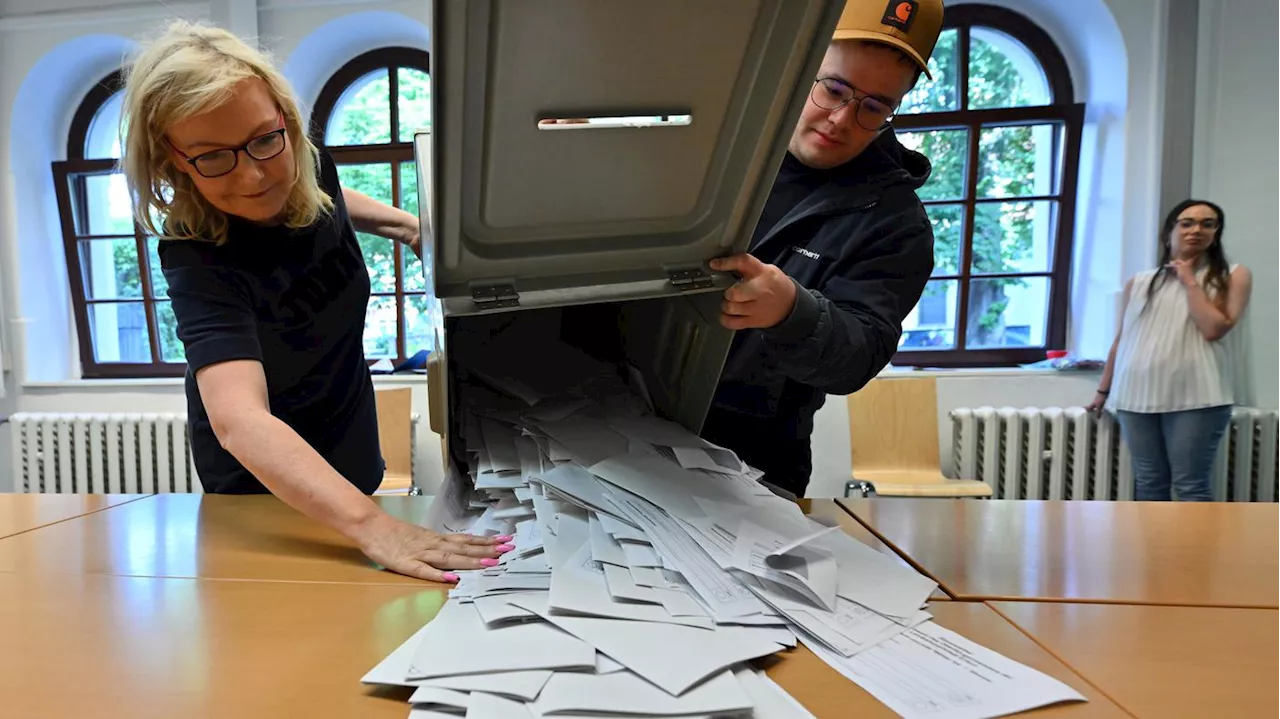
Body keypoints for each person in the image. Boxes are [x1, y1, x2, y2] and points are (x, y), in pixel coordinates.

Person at [119, 20, 507, 581]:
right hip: (265, 497)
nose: (253, 176)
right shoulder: (197, 255)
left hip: (349, 457)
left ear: (285, 121)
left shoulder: (302, 161)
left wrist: (406, 226)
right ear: (174, 158)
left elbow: (325, 191)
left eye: (263, 140)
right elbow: (239, 421)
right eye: (212, 156)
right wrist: (375, 527)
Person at [700, 0, 943, 497]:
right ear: (802, 67)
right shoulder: (710, 143)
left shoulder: (897, 223)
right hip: (617, 422)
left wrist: (793, 311)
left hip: (756, 467)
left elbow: (860, 356)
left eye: (874, 106)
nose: (841, 120)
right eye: (833, 89)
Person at [1088, 200, 1253, 501]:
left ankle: (1196, 551)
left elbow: (1214, 329)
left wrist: (1189, 280)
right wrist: (1103, 390)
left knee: (1190, 485)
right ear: (1169, 232)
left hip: (1198, 396)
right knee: (1149, 483)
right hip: (1135, 395)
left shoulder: (1234, 275)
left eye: (1208, 223)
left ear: (1216, 232)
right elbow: (1122, 340)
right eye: (1187, 222)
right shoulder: (1139, 282)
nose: (1196, 229)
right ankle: (1154, 551)